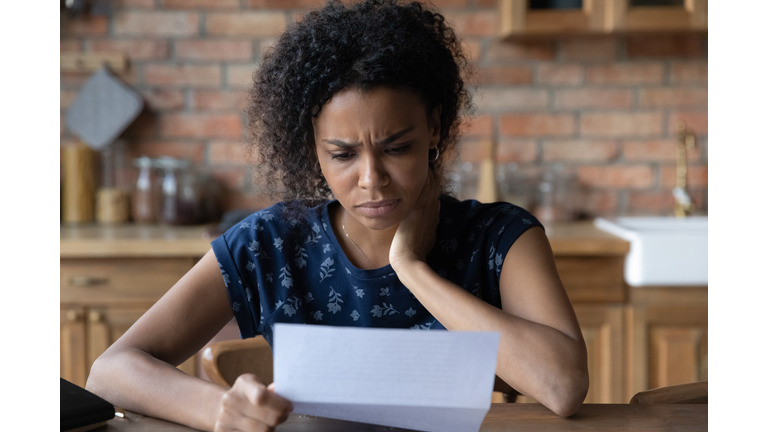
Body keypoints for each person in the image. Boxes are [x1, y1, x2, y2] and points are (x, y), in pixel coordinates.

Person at [86, 0, 589, 430]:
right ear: (313, 150)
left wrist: (412, 269)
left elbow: (562, 385)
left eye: (398, 147)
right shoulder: (272, 242)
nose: (371, 178)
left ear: (435, 128)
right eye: (343, 154)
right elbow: (111, 371)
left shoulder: (501, 237)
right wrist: (220, 408)